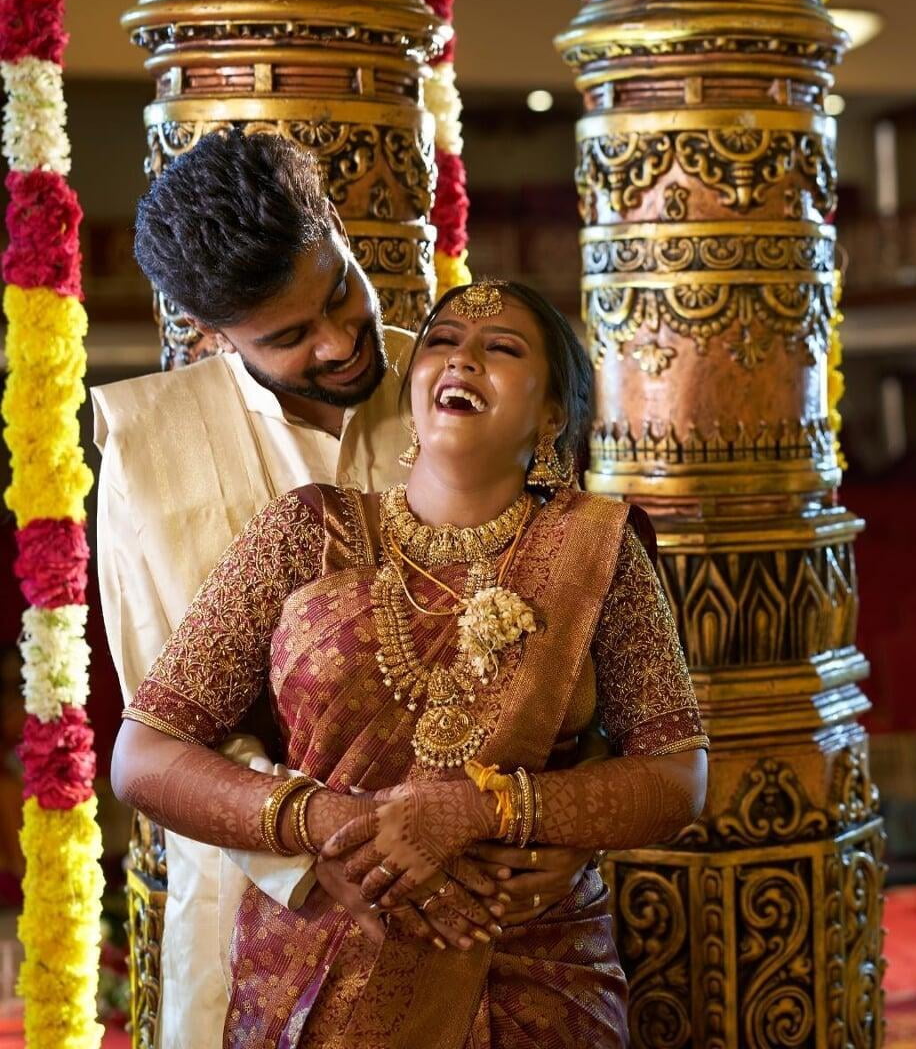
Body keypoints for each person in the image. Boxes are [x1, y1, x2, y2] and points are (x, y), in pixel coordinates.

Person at [110, 277, 709, 1047]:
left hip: (533, 974)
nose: (462, 358)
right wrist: (325, 823)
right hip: (324, 967)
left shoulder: (598, 551)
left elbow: (677, 775)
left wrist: (484, 811)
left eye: (501, 348)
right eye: (441, 342)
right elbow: (145, 754)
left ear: (553, 414)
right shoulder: (305, 532)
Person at [93, 132, 591, 1047]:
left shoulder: (470, 383)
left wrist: (565, 825)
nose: (337, 341)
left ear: (339, 231)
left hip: (497, 897)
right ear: (211, 330)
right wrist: (326, 847)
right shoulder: (149, 443)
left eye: (338, 292)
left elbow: (578, 637)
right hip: (265, 905)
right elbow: (167, 727)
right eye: (288, 337)